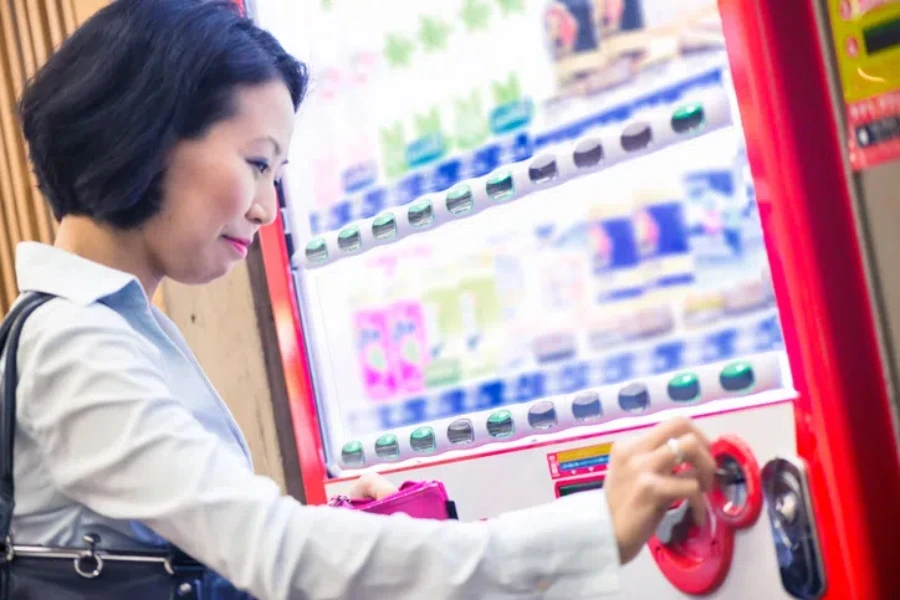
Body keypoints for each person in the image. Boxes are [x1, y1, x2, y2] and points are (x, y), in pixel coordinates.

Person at [8, 1, 717, 598]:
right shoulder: (73, 343)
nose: (266, 210)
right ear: (148, 133)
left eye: (278, 177)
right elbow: (272, 551)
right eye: (257, 163)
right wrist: (592, 527)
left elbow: (203, 545)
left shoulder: (101, 326)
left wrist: (341, 521)